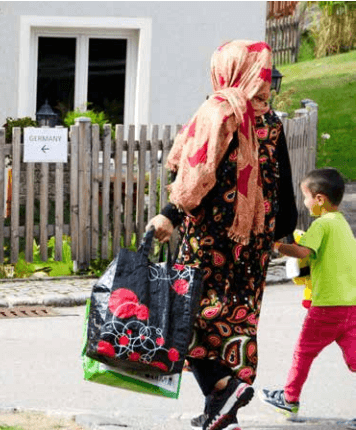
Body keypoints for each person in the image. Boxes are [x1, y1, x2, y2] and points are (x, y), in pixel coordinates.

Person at [147, 40, 298, 430]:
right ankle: (223, 406)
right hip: (253, 242)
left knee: (183, 317)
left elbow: (196, 175)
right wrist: (278, 232)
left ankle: (225, 389)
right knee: (233, 318)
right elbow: (283, 184)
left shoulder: (218, 112)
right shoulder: (270, 120)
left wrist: (169, 215)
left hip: (211, 237)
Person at [259, 168, 356, 419]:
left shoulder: (321, 225)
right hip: (351, 306)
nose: (305, 202)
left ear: (320, 199)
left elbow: (302, 253)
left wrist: (276, 245)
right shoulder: (343, 225)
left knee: (303, 352)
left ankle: (289, 399)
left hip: (326, 307)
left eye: (306, 197)